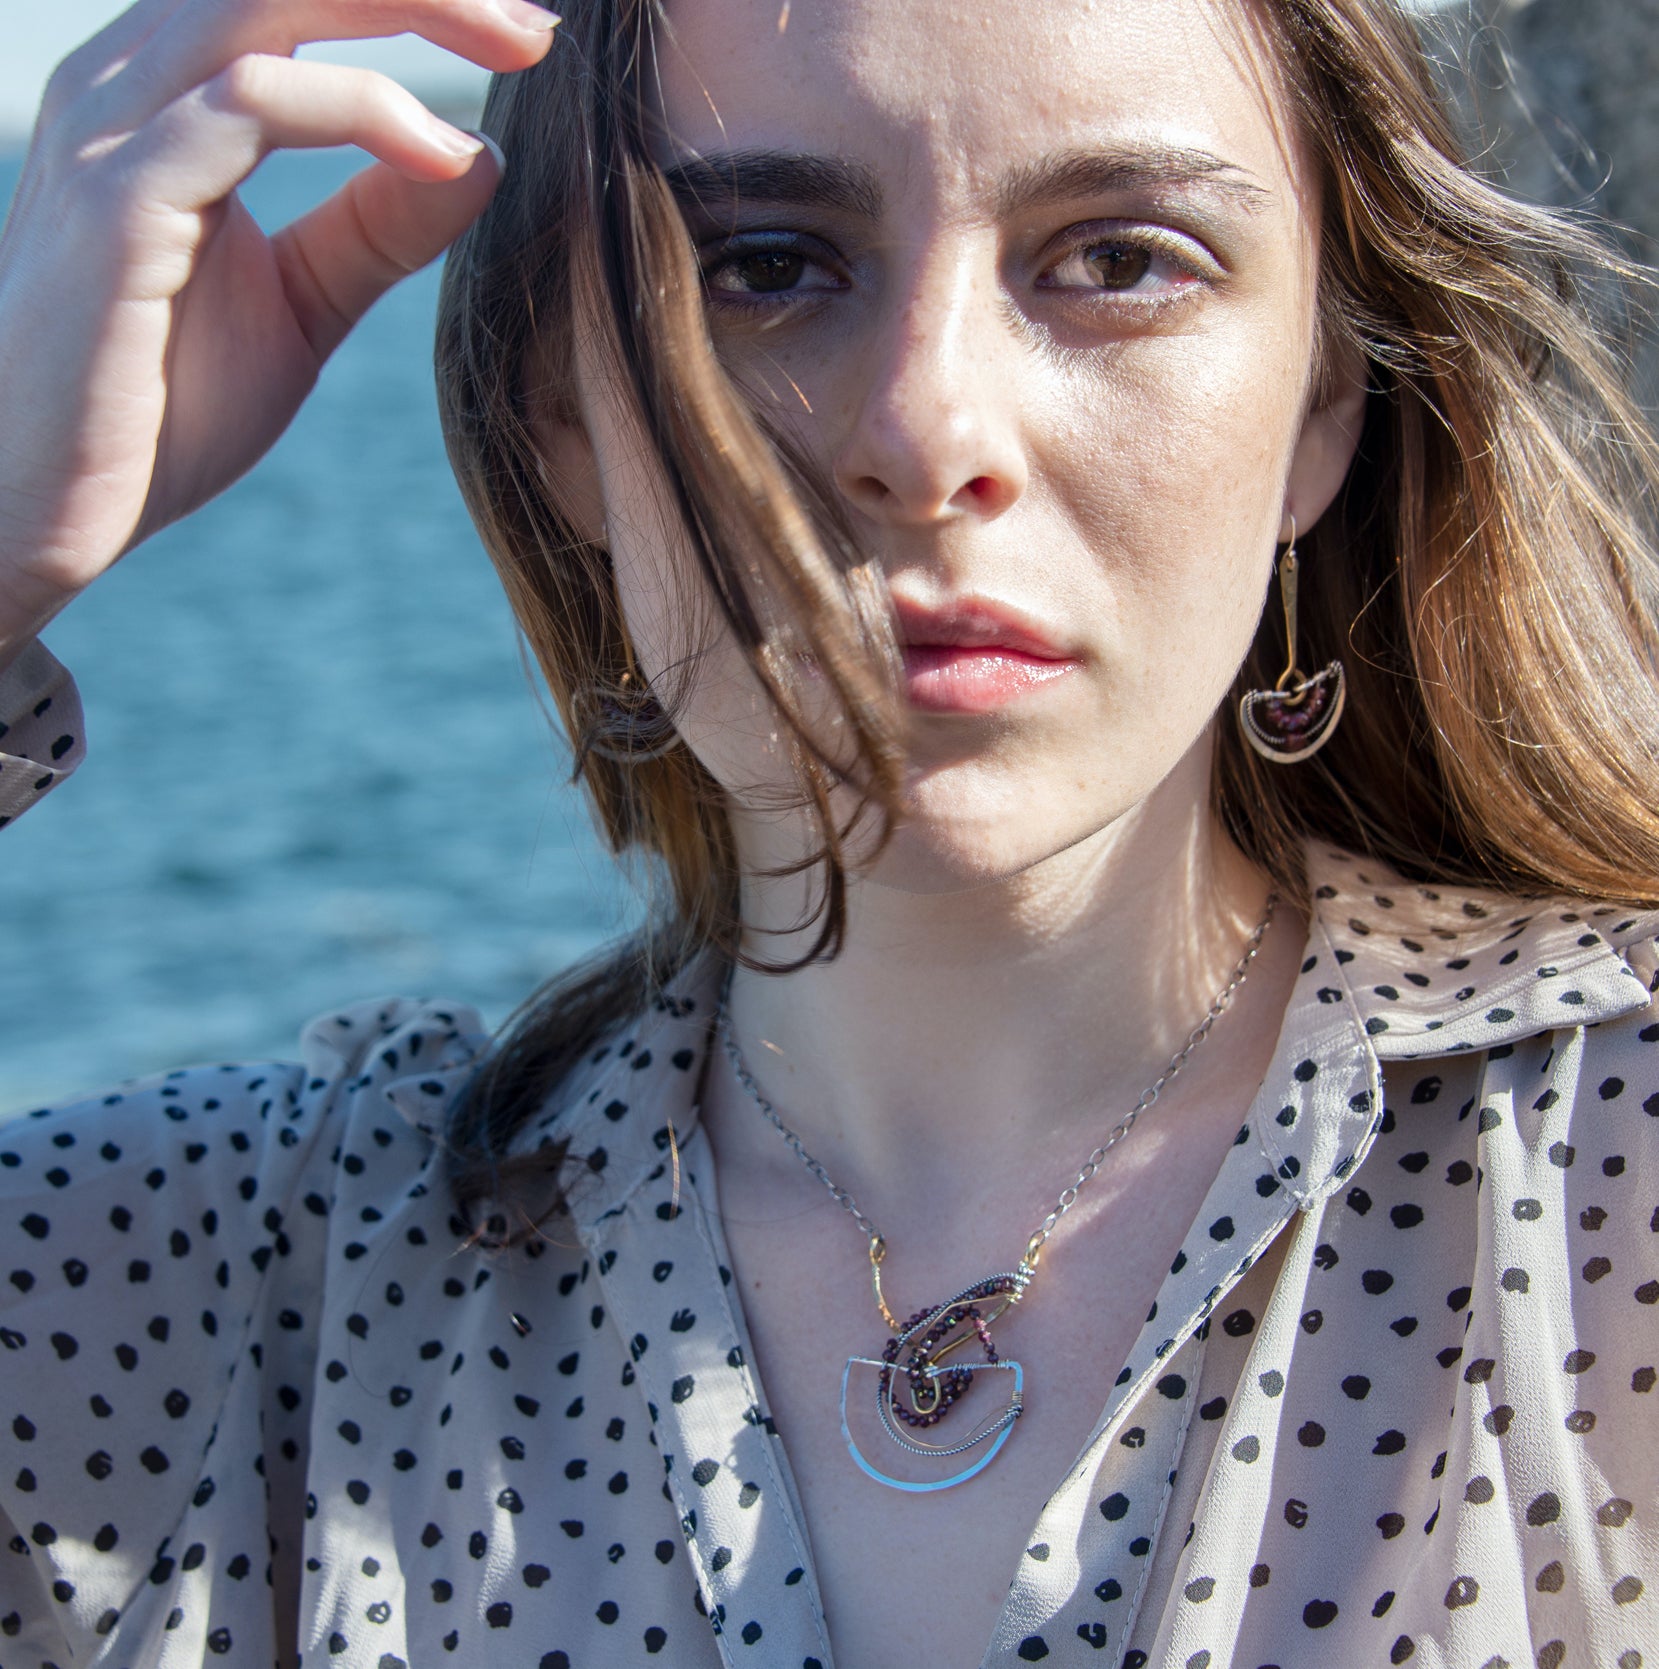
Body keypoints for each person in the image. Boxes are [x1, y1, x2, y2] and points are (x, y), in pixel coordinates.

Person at [1, 0, 1657, 1662]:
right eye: (767, 265)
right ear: (562, 420)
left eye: (1120, 260)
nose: (928, 440)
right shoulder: (237, 1286)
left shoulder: (1609, 1171)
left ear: (1324, 411)